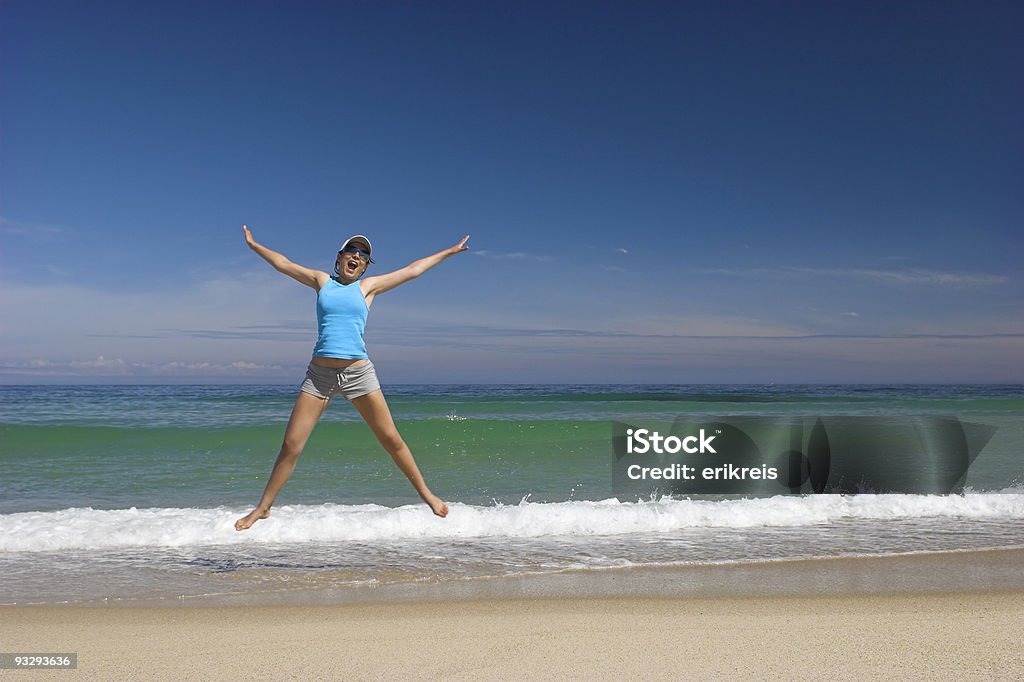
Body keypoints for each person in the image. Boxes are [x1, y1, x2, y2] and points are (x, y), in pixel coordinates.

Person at [234, 225, 468, 531]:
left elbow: (412, 270)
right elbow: (285, 264)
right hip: (319, 376)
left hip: (358, 373)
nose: (357, 256)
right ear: (340, 256)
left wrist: (448, 252)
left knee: (391, 439)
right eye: (352, 251)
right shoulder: (322, 282)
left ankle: (427, 494)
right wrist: (254, 246)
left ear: (366, 265)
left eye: (364, 254)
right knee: (291, 445)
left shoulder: (367, 288)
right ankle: (263, 508)